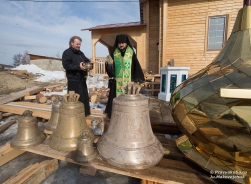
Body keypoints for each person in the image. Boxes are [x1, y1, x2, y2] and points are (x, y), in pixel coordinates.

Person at [105, 34, 145, 118]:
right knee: (114, 98)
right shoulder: (114, 53)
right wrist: (109, 65)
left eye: (123, 43)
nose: (121, 45)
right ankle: (114, 114)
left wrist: (137, 79)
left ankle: (128, 114)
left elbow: (136, 65)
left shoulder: (130, 53)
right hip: (117, 82)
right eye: (119, 43)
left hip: (129, 81)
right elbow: (110, 70)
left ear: (126, 43)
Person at [62, 36, 91, 116]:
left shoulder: (80, 53)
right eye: (77, 44)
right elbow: (66, 65)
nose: (79, 45)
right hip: (73, 80)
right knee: (75, 100)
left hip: (82, 79)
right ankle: (76, 117)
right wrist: (78, 66)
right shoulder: (67, 53)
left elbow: (86, 60)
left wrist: (88, 64)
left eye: (80, 44)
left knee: (84, 99)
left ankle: (85, 115)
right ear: (72, 43)